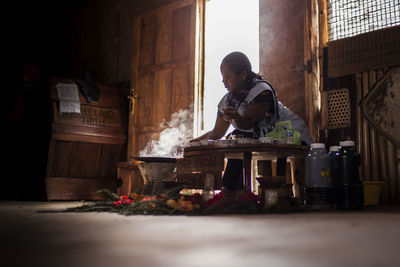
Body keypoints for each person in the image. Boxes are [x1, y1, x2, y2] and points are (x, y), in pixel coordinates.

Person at [190, 51, 313, 192]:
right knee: (235, 138)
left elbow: (248, 124)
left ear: (242, 75)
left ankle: (231, 189)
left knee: (238, 136)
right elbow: (216, 133)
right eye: (222, 76)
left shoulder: (262, 91)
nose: (223, 81)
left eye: (227, 76)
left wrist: (236, 117)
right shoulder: (227, 100)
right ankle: (235, 192)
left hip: (292, 133)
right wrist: (191, 144)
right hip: (266, 136)